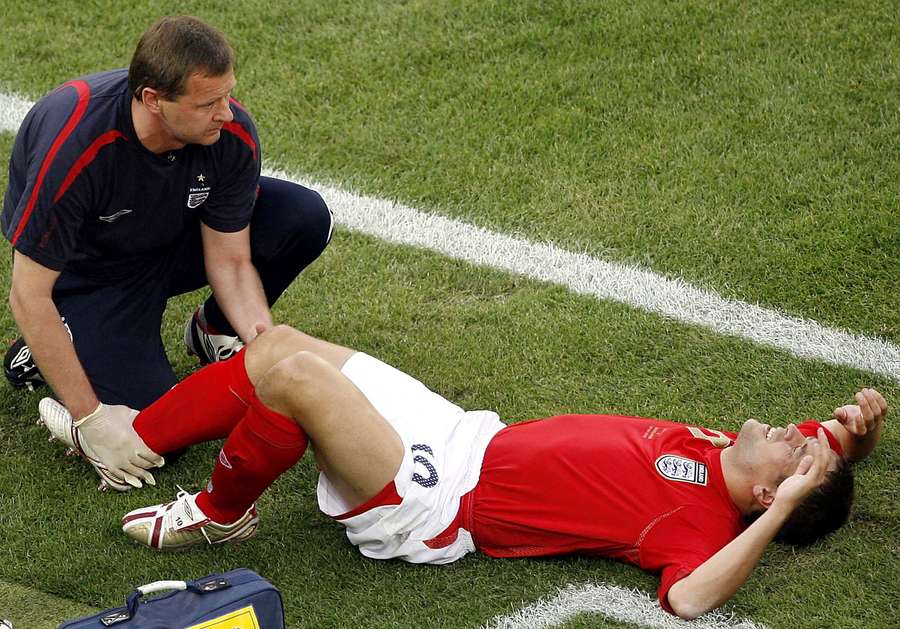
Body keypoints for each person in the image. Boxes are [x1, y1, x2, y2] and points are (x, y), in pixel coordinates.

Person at [39, 326, 887, 619]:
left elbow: (693, 599)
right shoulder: (724, 451)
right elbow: (817, 444)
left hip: (436, 503)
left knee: (293, 384)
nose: (793, 428)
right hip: (456, 432)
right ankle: (123, 441)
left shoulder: (700, 529)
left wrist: (788, 509)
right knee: (278, 347)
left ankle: (221, 512)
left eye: (799, 450)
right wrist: (850, 442)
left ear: (777, 495)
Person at [3, 17, 333, 487]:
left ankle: (212, 331)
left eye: (226, 94)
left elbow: (232, 261)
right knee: (162, 437)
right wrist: (91, 418)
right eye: (208, 103)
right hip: (90, 277)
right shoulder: (74, 143)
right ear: (153, 100)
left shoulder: (229, 134)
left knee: (302, 216)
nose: (226, 113)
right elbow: (27, 294)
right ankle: (51, 344)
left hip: (169, 241)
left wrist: (271, 356)